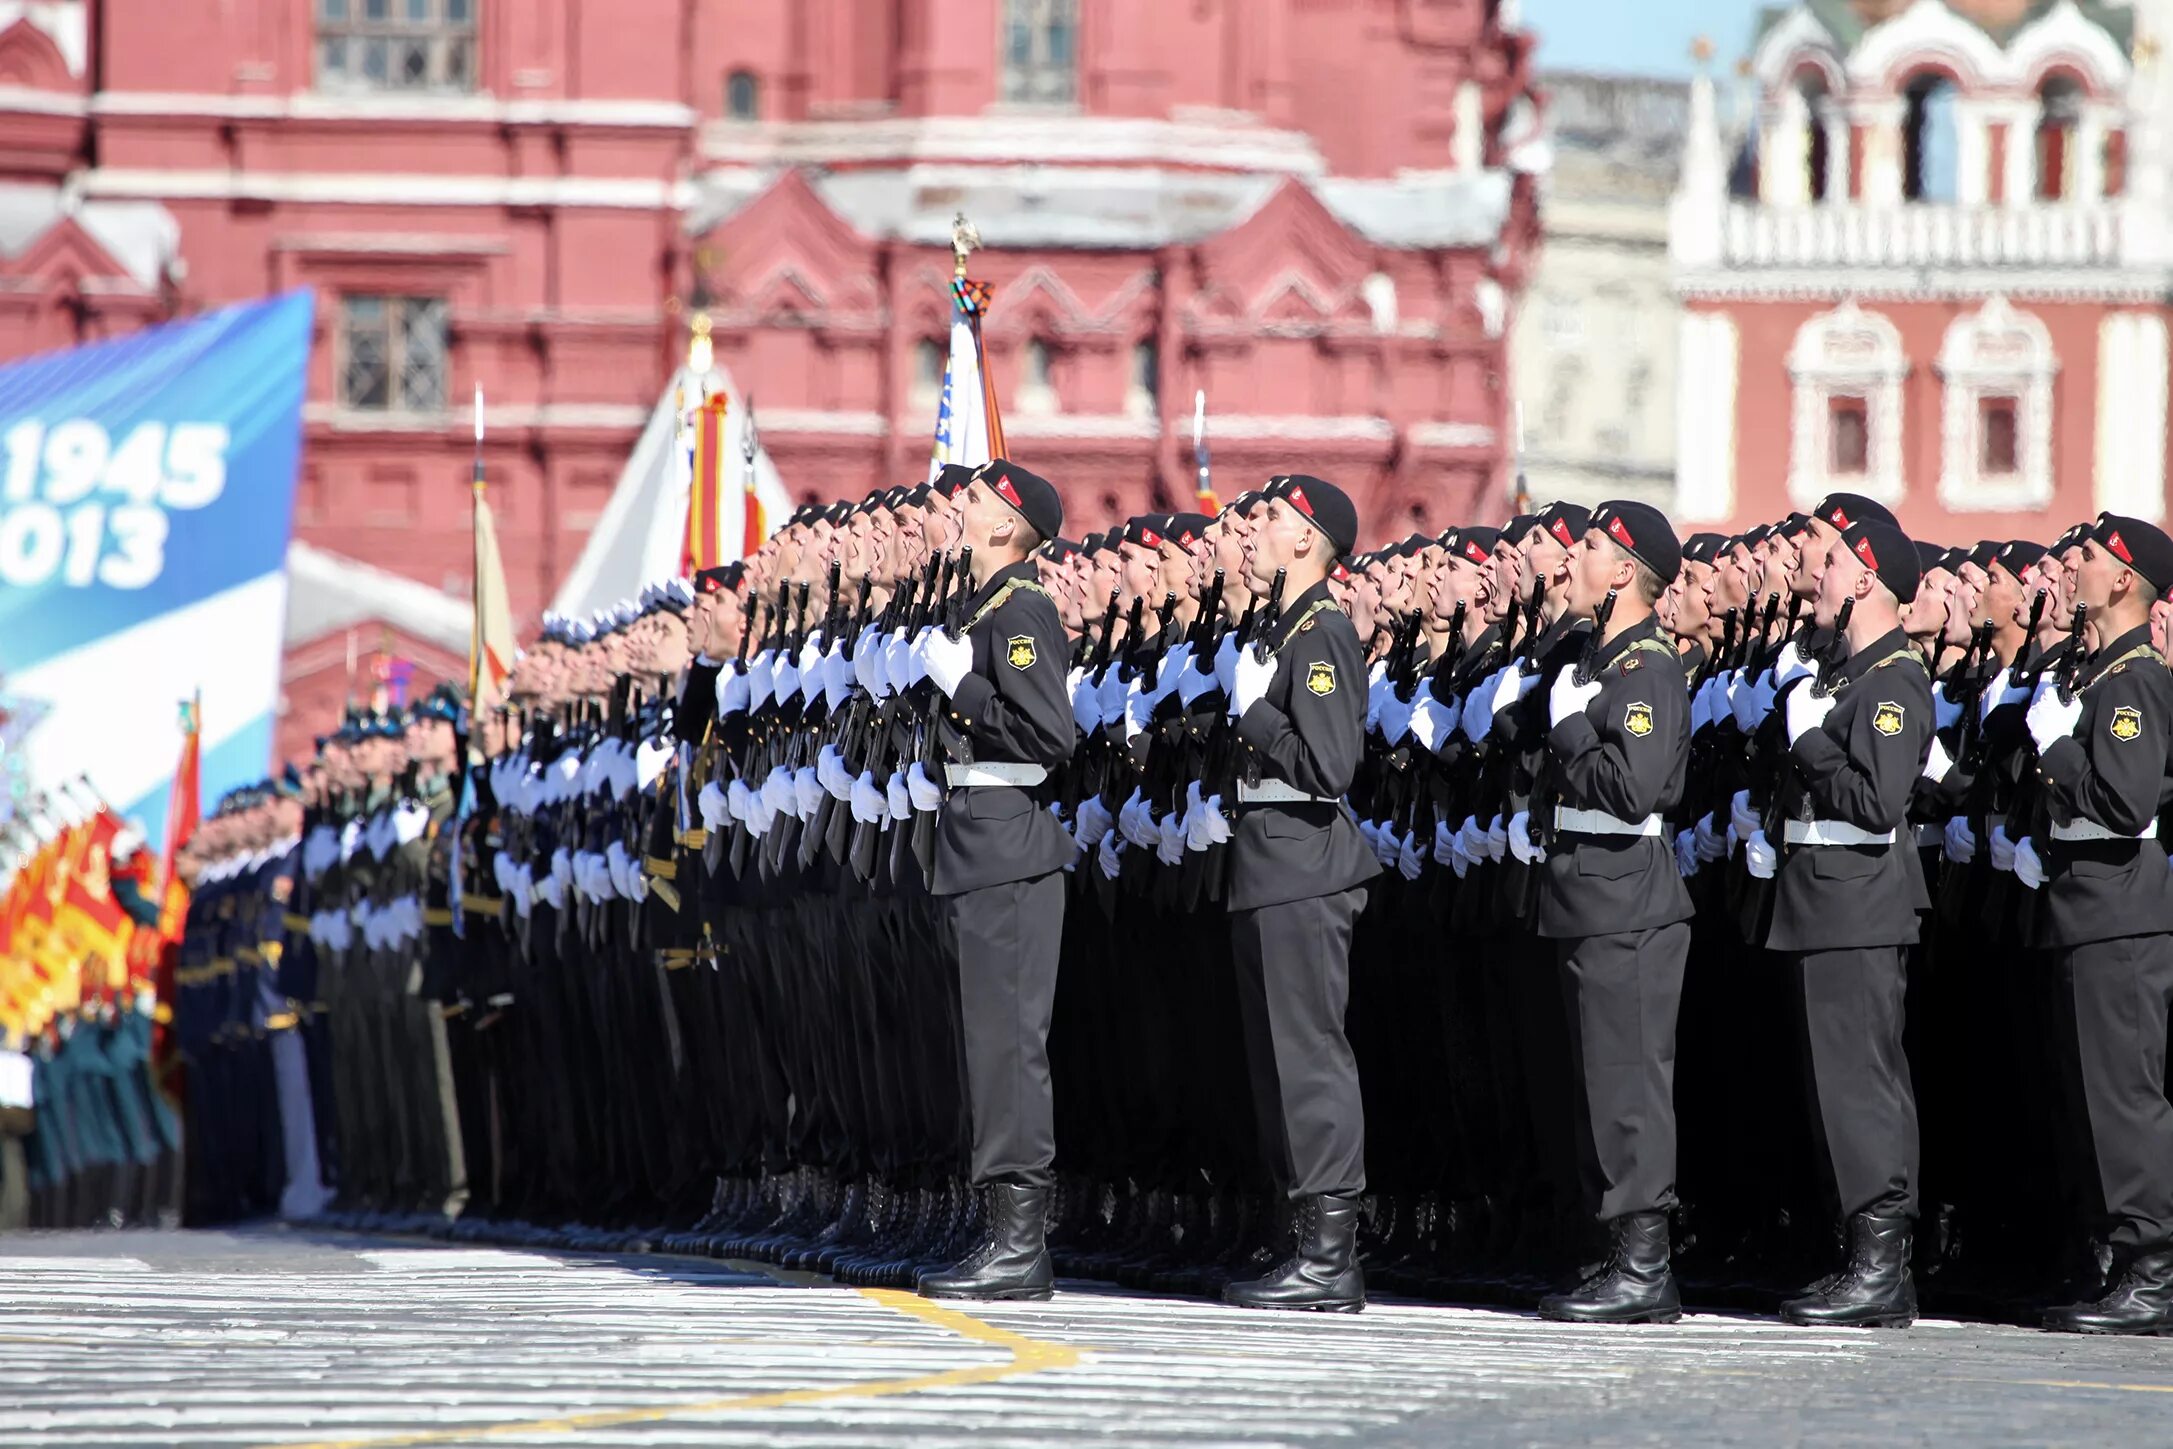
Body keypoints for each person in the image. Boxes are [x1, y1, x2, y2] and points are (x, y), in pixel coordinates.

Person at [1752, 515, 1934, 1328]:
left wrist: (1809, 745)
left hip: (1855, 901)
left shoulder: (1891, 679)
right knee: (1839, 1085)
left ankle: (1880, 1266)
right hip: (1824, 900)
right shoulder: (1852, 674)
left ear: (1863, 576)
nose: (1812, 575)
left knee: (1859, 1086)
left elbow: (1873, 801)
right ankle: (1860, 1256)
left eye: (1827, 562)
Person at [1530, 501, 1695, 1323]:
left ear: (1624, 569)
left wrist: (1569, 733)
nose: (1571, 559)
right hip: (1587, 890)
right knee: (1598, 1083)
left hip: (1627, 892)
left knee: (1629, 1085)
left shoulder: (1647, 669)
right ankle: (1611, 1251)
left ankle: (1643, 1265)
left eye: (1587, 547)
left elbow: (1632, 788)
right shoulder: (1599, 657)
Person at [917, 460, 1078, 1302]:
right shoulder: (983, 607)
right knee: (987, 1044)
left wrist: (965, 687)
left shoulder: (1021, 609)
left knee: (1010, 1047)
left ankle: (1020, 1244)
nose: (957, 504)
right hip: (978, 842)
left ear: (1008, 527)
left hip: (1010, 846)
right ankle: (997, 1229)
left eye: (972, 498)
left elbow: (1049, 733)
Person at [1219, 474, 1379, 1313]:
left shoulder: (1322, 634)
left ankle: (1329, 1253)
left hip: (1303, 866)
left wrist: (1254, 714)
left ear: (1308, 541)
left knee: (1307, 1059)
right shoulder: (1281, 629)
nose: (1257, 527)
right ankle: (1298, 1235)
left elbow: (1327, 767)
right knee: (1275, 1064)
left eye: (1273, 517)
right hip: (1266, 863)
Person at [2018, 515, 2173, 1335]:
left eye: (2083, 557)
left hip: (2120, 907)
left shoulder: (2134, 678)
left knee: (2122, 1097)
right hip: (2084, 900)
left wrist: (2057, 751)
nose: (2069, 567)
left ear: (2121, 578)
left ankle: (2153, 1269)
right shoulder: (2097, 671)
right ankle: (2118, 1258)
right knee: (2088, 1096)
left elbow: (2124, 801)